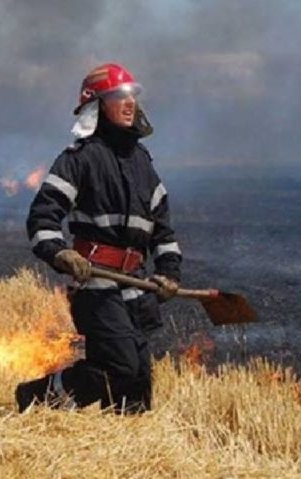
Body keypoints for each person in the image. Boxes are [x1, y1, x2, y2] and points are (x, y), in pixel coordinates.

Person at [17, 63, 183, 415]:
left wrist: (169, 272)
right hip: (94, 283)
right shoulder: (79, 160)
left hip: (134, 285)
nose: (129, 104)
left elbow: (163, 229)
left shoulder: (142, 163)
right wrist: (61, 254)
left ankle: (123, 446)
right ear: (96, 105)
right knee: (120, 365)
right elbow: (42, 218)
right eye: (119, 97)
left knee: (137, 378)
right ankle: (35, 398)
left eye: (132, 97)